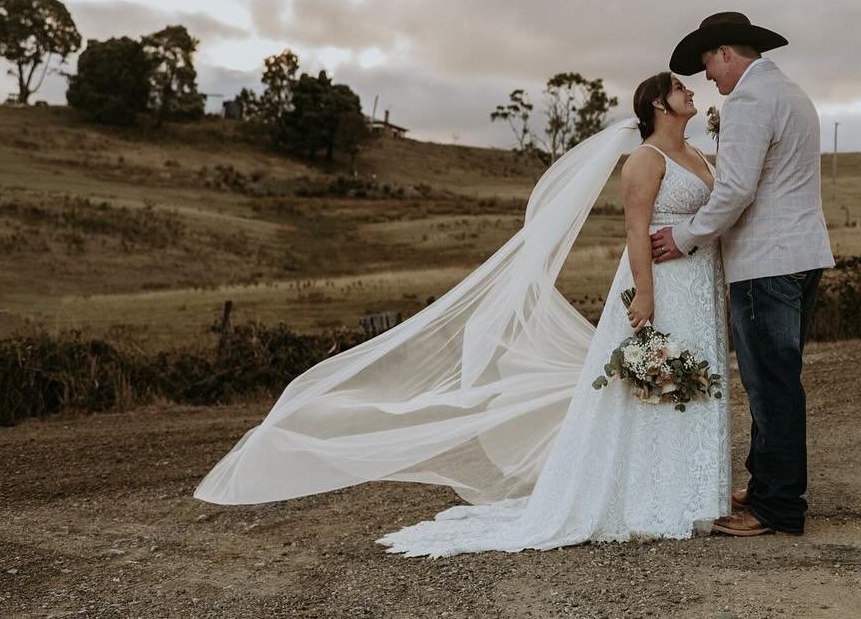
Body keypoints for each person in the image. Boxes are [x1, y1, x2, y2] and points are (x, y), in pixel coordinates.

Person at [194, 72, 732, 557]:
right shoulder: (644, 160)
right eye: (681, 88)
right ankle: (646, 498)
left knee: (693, 382)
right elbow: (635, 229)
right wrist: (644, 294)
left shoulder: (698, 154)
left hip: (698, 283)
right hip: (659, 282)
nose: (691, 91)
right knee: (651, 385)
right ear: (659, 105)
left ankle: (691, 491)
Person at [650, 10, 834, 537]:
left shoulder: (750, 100)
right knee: (778, 379)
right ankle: (765, 486)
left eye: (708, 63)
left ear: (727, 53)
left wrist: (684, 236)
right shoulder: (792, 93)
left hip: (766, 264)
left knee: (771, 385)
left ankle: (776, 507)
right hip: (801, 257)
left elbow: (735, 191)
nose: (708, 77)